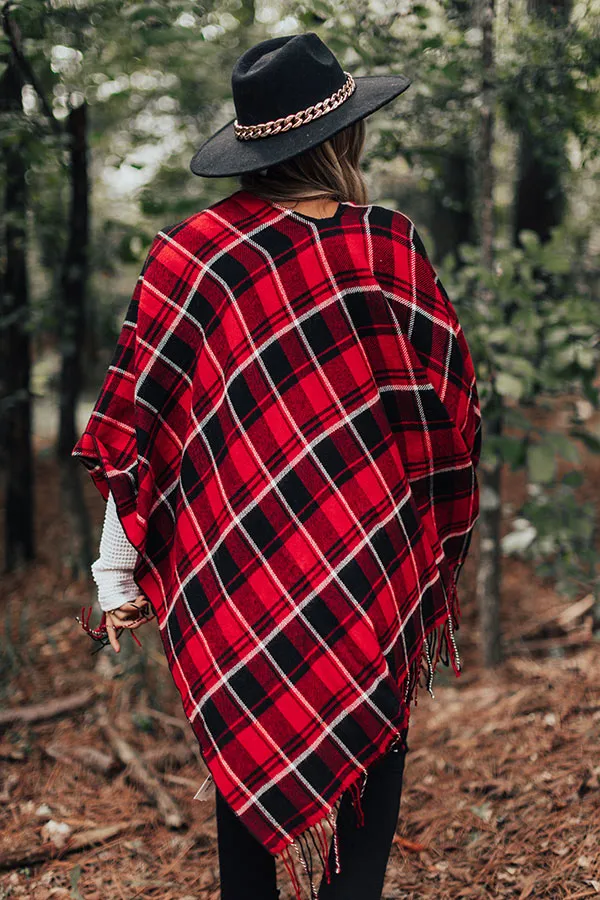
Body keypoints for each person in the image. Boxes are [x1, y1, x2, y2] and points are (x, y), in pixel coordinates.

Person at [73, 32, 481, 900]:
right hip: (371, 566)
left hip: (240, 581)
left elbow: (139, 430)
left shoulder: (195, 256)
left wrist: (116, 572)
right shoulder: (388, 246)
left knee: (248, 799)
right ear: (345, 137)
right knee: (364, 795)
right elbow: (452, 409)